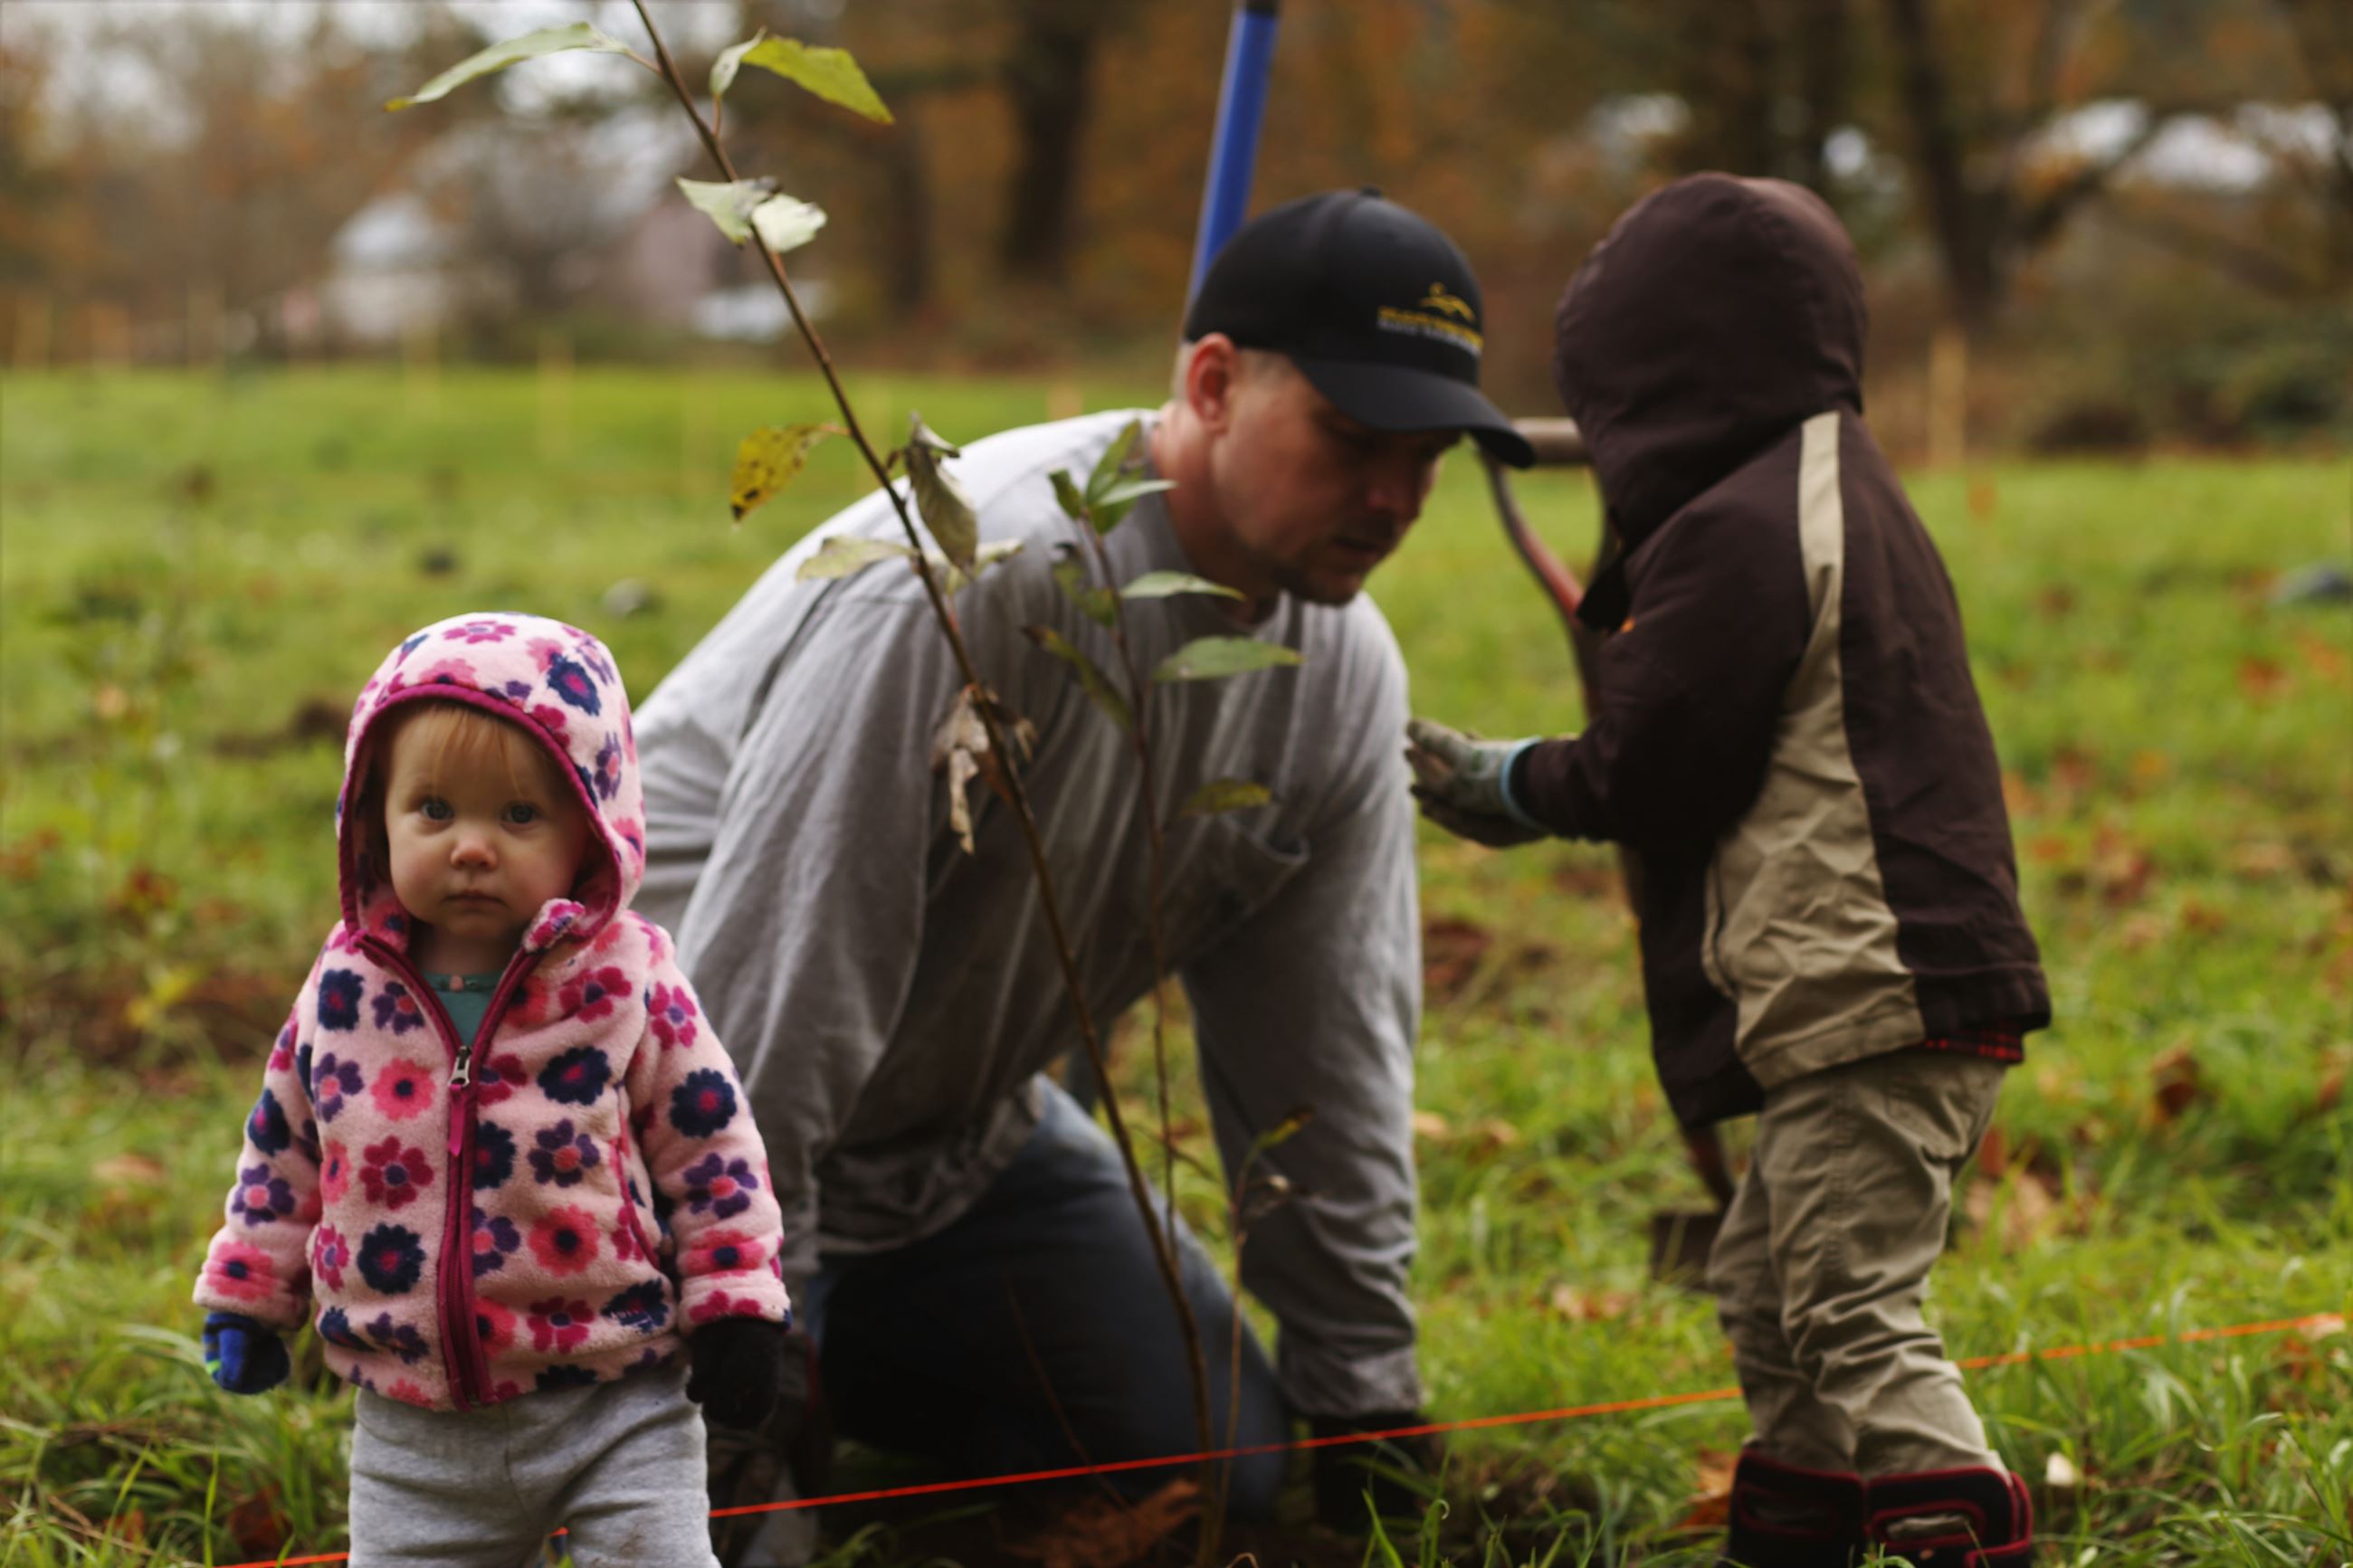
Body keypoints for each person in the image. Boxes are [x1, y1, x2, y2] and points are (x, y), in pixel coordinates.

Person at [634, 188, 1533, 1561]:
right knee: (696, 1527)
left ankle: (852, 1363)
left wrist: (1370, 1402)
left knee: (1218, 1455)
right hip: (647, 1136)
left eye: (1431, 461)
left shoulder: (1337, 676)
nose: (1397, 501)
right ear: (1214, 382)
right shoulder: (981, 570)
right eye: (1356, 442)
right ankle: (663, 1380)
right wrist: (739, 1334)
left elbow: (1329, 1062)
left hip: (944, 1151)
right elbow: (772, 982)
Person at [1406, 174, 2050, 1568]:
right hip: (1900, 979)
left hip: (1866, 985)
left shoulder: (1742, 528)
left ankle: (1967, 1525)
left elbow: (1660, 766)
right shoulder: (1830, 484)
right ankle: (1798, 1526)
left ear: (1648, 373)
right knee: (1770, 1288)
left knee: (1849, 1306)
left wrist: (1509, 780)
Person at [192, 612, 792, 1568]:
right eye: (433, 809)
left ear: (591, 824)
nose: (471, 846)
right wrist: (251, 1288)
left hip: (616, 1399)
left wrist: (735, 1300)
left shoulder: (626, 982)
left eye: (518, 815)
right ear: (371, 818)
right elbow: (284, 1146)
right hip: (415, 1430)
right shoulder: (345, 989)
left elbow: (710, 1144)